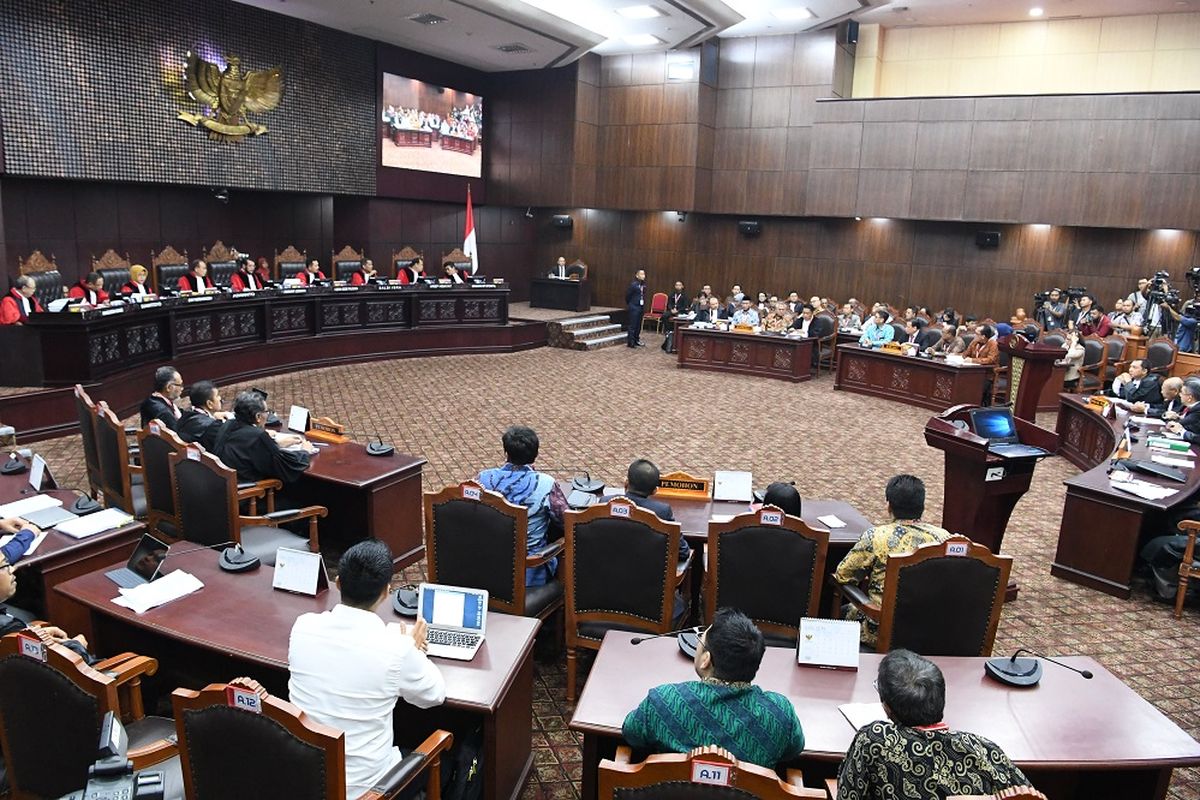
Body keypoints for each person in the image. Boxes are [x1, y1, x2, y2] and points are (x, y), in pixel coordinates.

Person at [288, 540, 445, 799]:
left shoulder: (302, 626)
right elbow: (435, 695)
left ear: (338, 583)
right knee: (453, 755)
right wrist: (414, 651)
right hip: (368, 791)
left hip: (309, 779)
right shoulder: (396, 649)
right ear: (386, 592)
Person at [622, 608, 804, 768]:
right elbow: (793, 750)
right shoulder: (780, 714)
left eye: (700, 642)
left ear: (705, 659)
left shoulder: (663, 701)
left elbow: (631, 733)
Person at [836, 649, 1029, 800]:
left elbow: (848, 794)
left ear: (887, 707)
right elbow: (1027, 794)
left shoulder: (875, 739)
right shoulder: (984, 749)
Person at [833, 475, 952, 646]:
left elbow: (843, 575)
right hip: (931, 628)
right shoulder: (944, 538)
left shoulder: (877, 537)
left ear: (889, 505)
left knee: (844, 611)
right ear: (922, 506)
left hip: (883, 632)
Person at [477, 426, 566, 587]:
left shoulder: (483, 479)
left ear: (506, 452)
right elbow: (567, 522)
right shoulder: (546, 483)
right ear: (535, 455)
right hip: (529, 572)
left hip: (486, 567)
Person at [212, 391, 315, 484]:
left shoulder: (227, 425)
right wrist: (305, 451)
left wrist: (276, 444)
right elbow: (283, 465)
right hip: (248, 496)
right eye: (266, 412)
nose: (268, 414)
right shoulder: (258, 435)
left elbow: (248, 449)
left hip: (224, 490)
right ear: (258, 417)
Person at [176, 380, 231, 450]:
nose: (220, 398)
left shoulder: (185, 416)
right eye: (217, 395)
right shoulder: (212, 427)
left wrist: (213, 416)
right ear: (209, 404)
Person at [139, 366, 184, 430]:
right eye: (180, 385)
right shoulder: (164, 413)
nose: (182, 388)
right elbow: (180, 434)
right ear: (168, 387)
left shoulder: (150, 400)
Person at [1163, 379, 1200, 443]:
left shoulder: (1197, 409)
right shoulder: (1187, 406)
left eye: (1182, 393)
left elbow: (1181, 424)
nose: (1179, 395)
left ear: (1189, 398)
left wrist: (1181, 430)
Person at [626, 269, 647, 347]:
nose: (643, 276)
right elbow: (628, 296)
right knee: (633, 325)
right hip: (634, 307)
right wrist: (631, 304)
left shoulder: (644, 285)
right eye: (641, 274)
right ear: (637, 276)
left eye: (644, 274)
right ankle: (630, 342)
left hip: (640, 307)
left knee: (638, 325)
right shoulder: (633, 285)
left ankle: (636, 340)